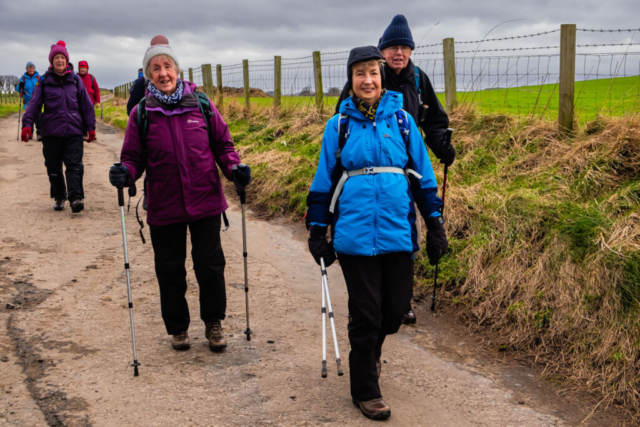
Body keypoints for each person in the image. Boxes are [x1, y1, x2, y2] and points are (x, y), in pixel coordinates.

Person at [307, 46, 448, 420]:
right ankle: (365, 388)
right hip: (353, 235)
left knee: (395, 310)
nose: (367, 80)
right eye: (359, 74)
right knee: (366, 314)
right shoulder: (338, 126)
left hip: (398, 232)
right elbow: (324, 180)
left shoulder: (402, 121)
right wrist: (317, 230)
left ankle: (371, 354)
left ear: (381, 76)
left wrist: (434, 224)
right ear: (350, 81)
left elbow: (423, 176)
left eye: (373, 72)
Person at [109, 35, 251, 353]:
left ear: (177, 69)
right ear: (149, 75)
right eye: (155, 68)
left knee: (210, 266)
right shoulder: (142, 113)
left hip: (205, 200)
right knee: (170, 269)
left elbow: (222, 145)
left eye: (167, 65)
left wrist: (235, 168)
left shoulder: (201, 105)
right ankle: (178, 328)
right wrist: (125, 173)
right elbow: (133, 158)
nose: (163, 73)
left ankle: (213, 323)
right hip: (164, 204)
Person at [335, 14, 455, 325]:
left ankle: (402, 300)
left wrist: (441, 146)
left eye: (404, 47)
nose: (398, 53)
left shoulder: (419, 80)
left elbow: (434, 120)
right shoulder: (372, 75)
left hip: (405, 165)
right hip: (367, 169)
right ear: (382, 51)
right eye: (392, 48)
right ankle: (369, 303)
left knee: (404, 229)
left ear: (411, 51)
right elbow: (342, 121)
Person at [21, 41, 96, 213]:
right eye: (56, 58)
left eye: (62, 57)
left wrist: (90, 127)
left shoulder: (76, 80)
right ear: (51, 61)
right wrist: (27, 125)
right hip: (51, 132)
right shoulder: (44, 81)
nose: (60, 61)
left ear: (67, 60)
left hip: (73, 131)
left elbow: (86, 105)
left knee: (74, 164)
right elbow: (33, 104)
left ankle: (76, 197)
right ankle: (59, 196)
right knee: (53, 167)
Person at [17, 62, 42, 140]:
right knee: (29, 118)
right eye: (29, 68)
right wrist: (20, 85)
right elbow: (18, 89)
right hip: (28, 102)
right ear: (26, 69)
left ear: (34, 69)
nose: (31, 69)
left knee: (39, 118)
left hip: (37, 101)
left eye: (32, 68)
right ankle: (29, 133)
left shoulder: (38, 77)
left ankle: (39, 134)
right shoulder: (23, 78)